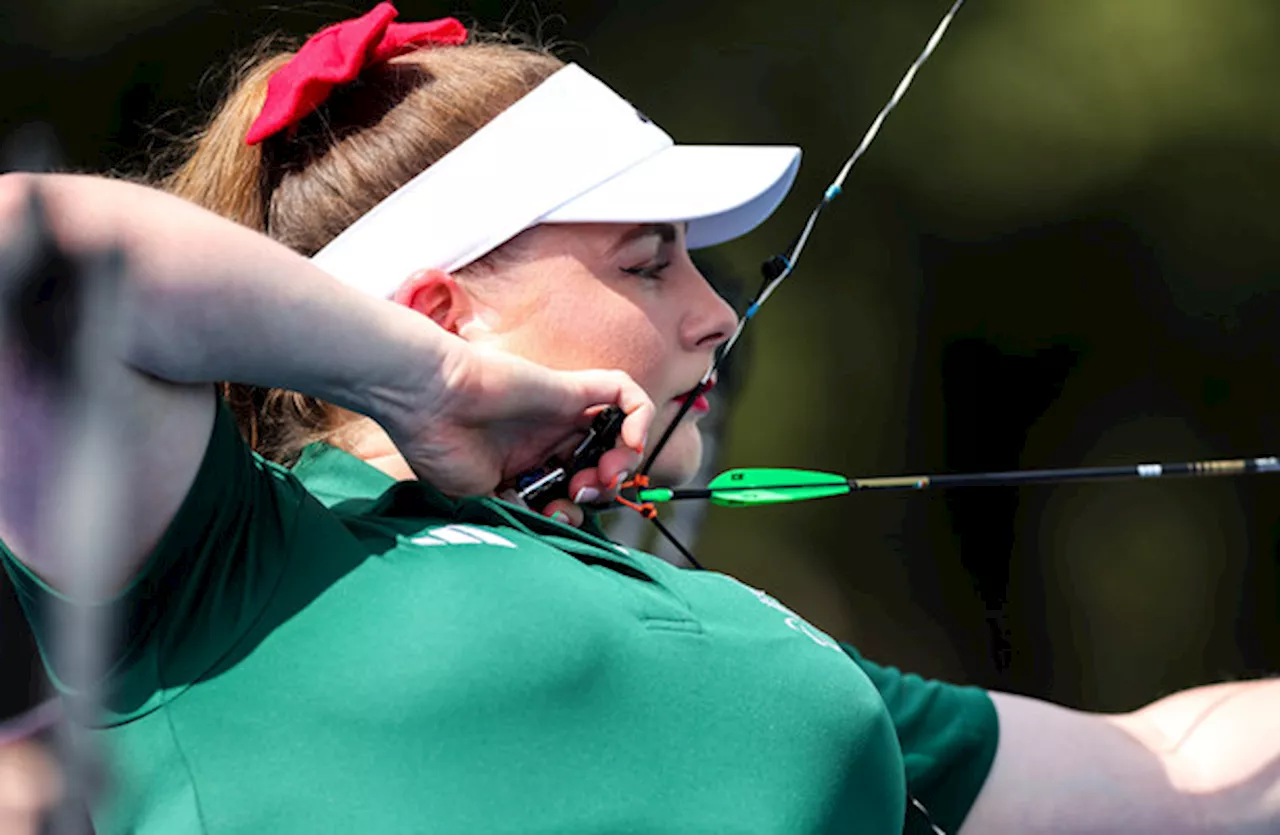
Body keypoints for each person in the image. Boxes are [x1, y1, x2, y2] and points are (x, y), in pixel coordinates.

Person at [0, 4, 1276, 834]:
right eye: (647, 261)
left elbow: (1175, 777)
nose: (718, 316)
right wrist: (436, 390)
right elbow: (27, 260)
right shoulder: (231, 555)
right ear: (442, 311)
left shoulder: (751, 645)